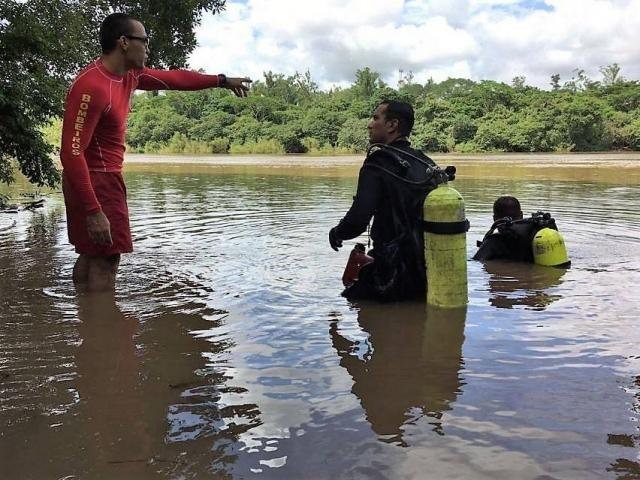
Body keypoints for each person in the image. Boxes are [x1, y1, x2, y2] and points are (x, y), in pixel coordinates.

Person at [60, 12, 251, 291]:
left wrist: (221, 80)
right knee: (107, 258)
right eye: (144, 40)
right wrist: (93, 210)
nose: (148, 47)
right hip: (95, 180)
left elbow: (175, 79)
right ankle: (104, 329)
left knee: (92, 252)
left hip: (100, 179)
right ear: (124, 42)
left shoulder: (130, 76)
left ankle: (85, 319)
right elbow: (71, 153)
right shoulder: (91, 85)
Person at [328, 100, 447, 301]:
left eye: (376, 118)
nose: (369, 124)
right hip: (428, 271)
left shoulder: (378, 162)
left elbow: (358, 219)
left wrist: (337, 233)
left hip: (391, 269)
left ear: (392, 125)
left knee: (344, 307)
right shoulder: (427, 163)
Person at [473, 196, 558, 262]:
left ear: (495, 219)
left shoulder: (493, 242)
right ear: (521, 215)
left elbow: (476, 262)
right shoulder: (537, 235)